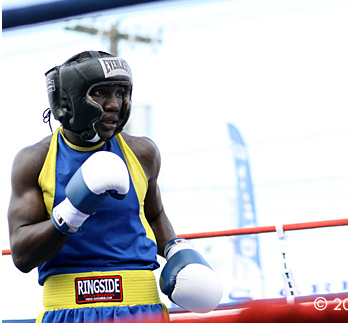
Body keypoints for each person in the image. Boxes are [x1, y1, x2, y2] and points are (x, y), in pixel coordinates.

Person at [7, 50, 223, 322]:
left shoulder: (142, 153)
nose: (114, 104)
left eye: (121, 93)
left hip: (143, 310)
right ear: (69, 100)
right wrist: (72, 211)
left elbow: (154, 215)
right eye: (100, 94)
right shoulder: (35, 161)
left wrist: (178, 251)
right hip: (69, 311)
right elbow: (22, 255)